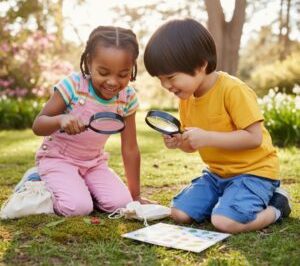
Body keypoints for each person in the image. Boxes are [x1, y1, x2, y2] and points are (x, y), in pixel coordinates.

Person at [143, 18, 291, 234]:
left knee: (224, 223)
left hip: (254, 173)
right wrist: (179, 142)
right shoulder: (186, 99)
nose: (165, 85)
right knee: (179, 213)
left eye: (170, 77)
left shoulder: (233, 90)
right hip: (217, 175)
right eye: (160, 79)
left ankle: (278, 206)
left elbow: (254, 138)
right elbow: (192, 144)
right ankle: (227, 201)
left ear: (201, 64)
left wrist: (208, 137)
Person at [23, 25, 152, 217]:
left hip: (93, 163)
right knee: (77, 208)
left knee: (121, 204)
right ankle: (36, 180)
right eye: (103, 72)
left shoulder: (127, 98)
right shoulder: (73, 86)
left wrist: (135, 196)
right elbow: (38, 125)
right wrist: (61, 119)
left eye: (122, 75)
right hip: (58, 159)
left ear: (132, 68)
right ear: (89, 62)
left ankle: (80, 188)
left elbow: (130, 148)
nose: (112, 82)